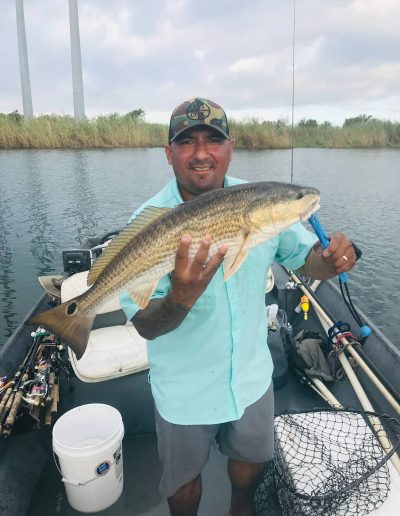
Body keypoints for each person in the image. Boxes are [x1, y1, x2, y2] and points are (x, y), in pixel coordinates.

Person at [120, 98, 357, 516]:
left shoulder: (261, 202)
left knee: (250, 466)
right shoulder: (148, 221)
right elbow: (145, 325)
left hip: (251, 379)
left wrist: (333, 258)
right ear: (168, 153)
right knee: (182, 481)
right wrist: (179, 298)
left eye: (213, 140)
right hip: (184, 391)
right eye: (186, 142)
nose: (201, 153)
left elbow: (307, 260)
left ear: (230, 147)